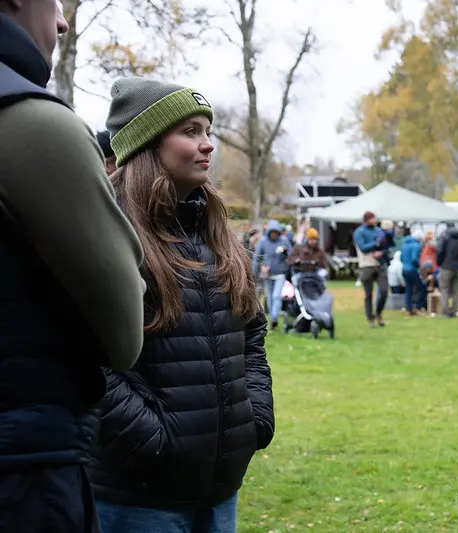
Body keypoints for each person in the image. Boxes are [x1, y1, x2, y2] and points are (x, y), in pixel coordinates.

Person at [88, 77, 274, 533]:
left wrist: (255, 417)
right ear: (146, 143)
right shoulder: (107, 234)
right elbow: (83, 356)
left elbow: (251, 332)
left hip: (220, 490)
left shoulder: (217, 233)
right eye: (190, 131)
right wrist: (157, 441)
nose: (208, 145)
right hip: (138, 499)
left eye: (208, 131)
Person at [0, 2, 146, 530]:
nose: (62, 22)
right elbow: (126, 335)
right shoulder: (29, 121)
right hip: (22, 474)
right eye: (53, 1)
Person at [252, 220, 292, 330]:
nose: (274, 234)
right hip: (267, 274)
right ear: (269, 232)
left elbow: (291, 254)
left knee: (276, 296)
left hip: (280, 274)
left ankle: (274, 317)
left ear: (279, 232)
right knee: (269, 296)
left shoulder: (284, 240)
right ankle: (272, 317)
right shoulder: (263, 242)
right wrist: (254, 271)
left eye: (276, 232)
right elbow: (256, 257)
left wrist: (285, 252)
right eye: (272, 232)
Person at [353, 211, 388, 327]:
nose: (375, 220)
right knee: (368, 294)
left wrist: (381, 251)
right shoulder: (359, 232)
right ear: (367, 220)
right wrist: (375, 243)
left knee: (384, 291)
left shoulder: (378, 230)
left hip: (380, 265)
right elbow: (363, 247)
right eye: (373, 218)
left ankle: (378, 313)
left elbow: (385, 246)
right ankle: (370, 318)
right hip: (366, 266)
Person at [436, 222, 458, 318]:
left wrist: (439, 262)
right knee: (455, 291)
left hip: (446, 267)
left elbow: (440, 251)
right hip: (457, 267)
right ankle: (454, 311)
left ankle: (445, 311)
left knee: (444, 289)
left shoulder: (444, 237)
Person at [400, 230, 427, 315]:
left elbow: (401, 258)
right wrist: (419, 265)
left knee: (409, 289)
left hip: (404, 269)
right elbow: (414, 258)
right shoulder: (415, 245)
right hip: (412, 270)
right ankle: (418, 308)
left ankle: (409, 309)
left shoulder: (404, 244)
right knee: (422, 288)